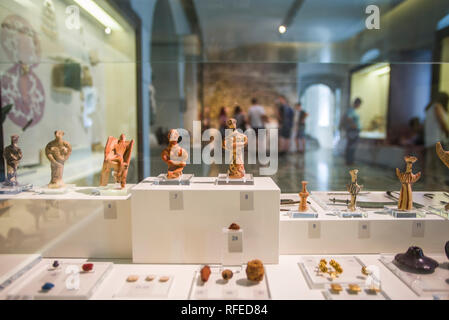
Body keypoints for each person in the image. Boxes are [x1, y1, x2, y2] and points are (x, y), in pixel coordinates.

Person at [424, 92, 449, 181]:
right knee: (438, 165)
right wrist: (447, 132)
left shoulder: (430, 108)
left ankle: (432, 184)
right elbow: (441, 122)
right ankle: (438, 185)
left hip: (431, 139)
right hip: (437, 139)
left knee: (432, 164)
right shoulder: (437, 106)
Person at [341, 98, 362, 165]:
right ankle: (349, 161)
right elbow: (349, 118)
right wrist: (354, 125)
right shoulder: (351, 110)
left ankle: (350, 160)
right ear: (357, 103)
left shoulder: (353, 110)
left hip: (354, 130)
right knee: (351, 145)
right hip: (352, 130)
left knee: (352, 145)